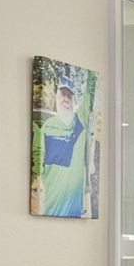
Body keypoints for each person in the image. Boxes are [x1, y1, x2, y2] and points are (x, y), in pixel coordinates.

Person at [38, 81, 90, 217]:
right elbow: (38, 163)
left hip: (74, 211)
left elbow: (90, 93)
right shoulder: (47, 126)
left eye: (69, 96)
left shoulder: (80, 123)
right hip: (49, 206)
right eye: (63, 94)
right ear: (56, 98)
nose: (66, 99)